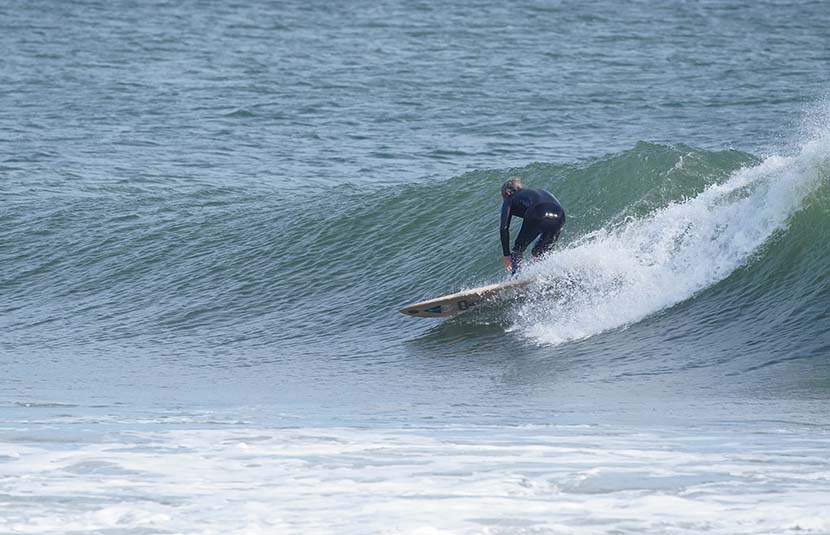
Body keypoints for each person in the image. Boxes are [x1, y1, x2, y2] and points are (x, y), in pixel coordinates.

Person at [499, 176, 565, 274]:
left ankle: (516, 277)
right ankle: (546, 274)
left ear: (507, 193)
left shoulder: (510, 198)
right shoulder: (532, 192)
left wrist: (506, 255)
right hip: (560, 216)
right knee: (539, 252)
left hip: (538, 212)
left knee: (517, 250)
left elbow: (504, 228)